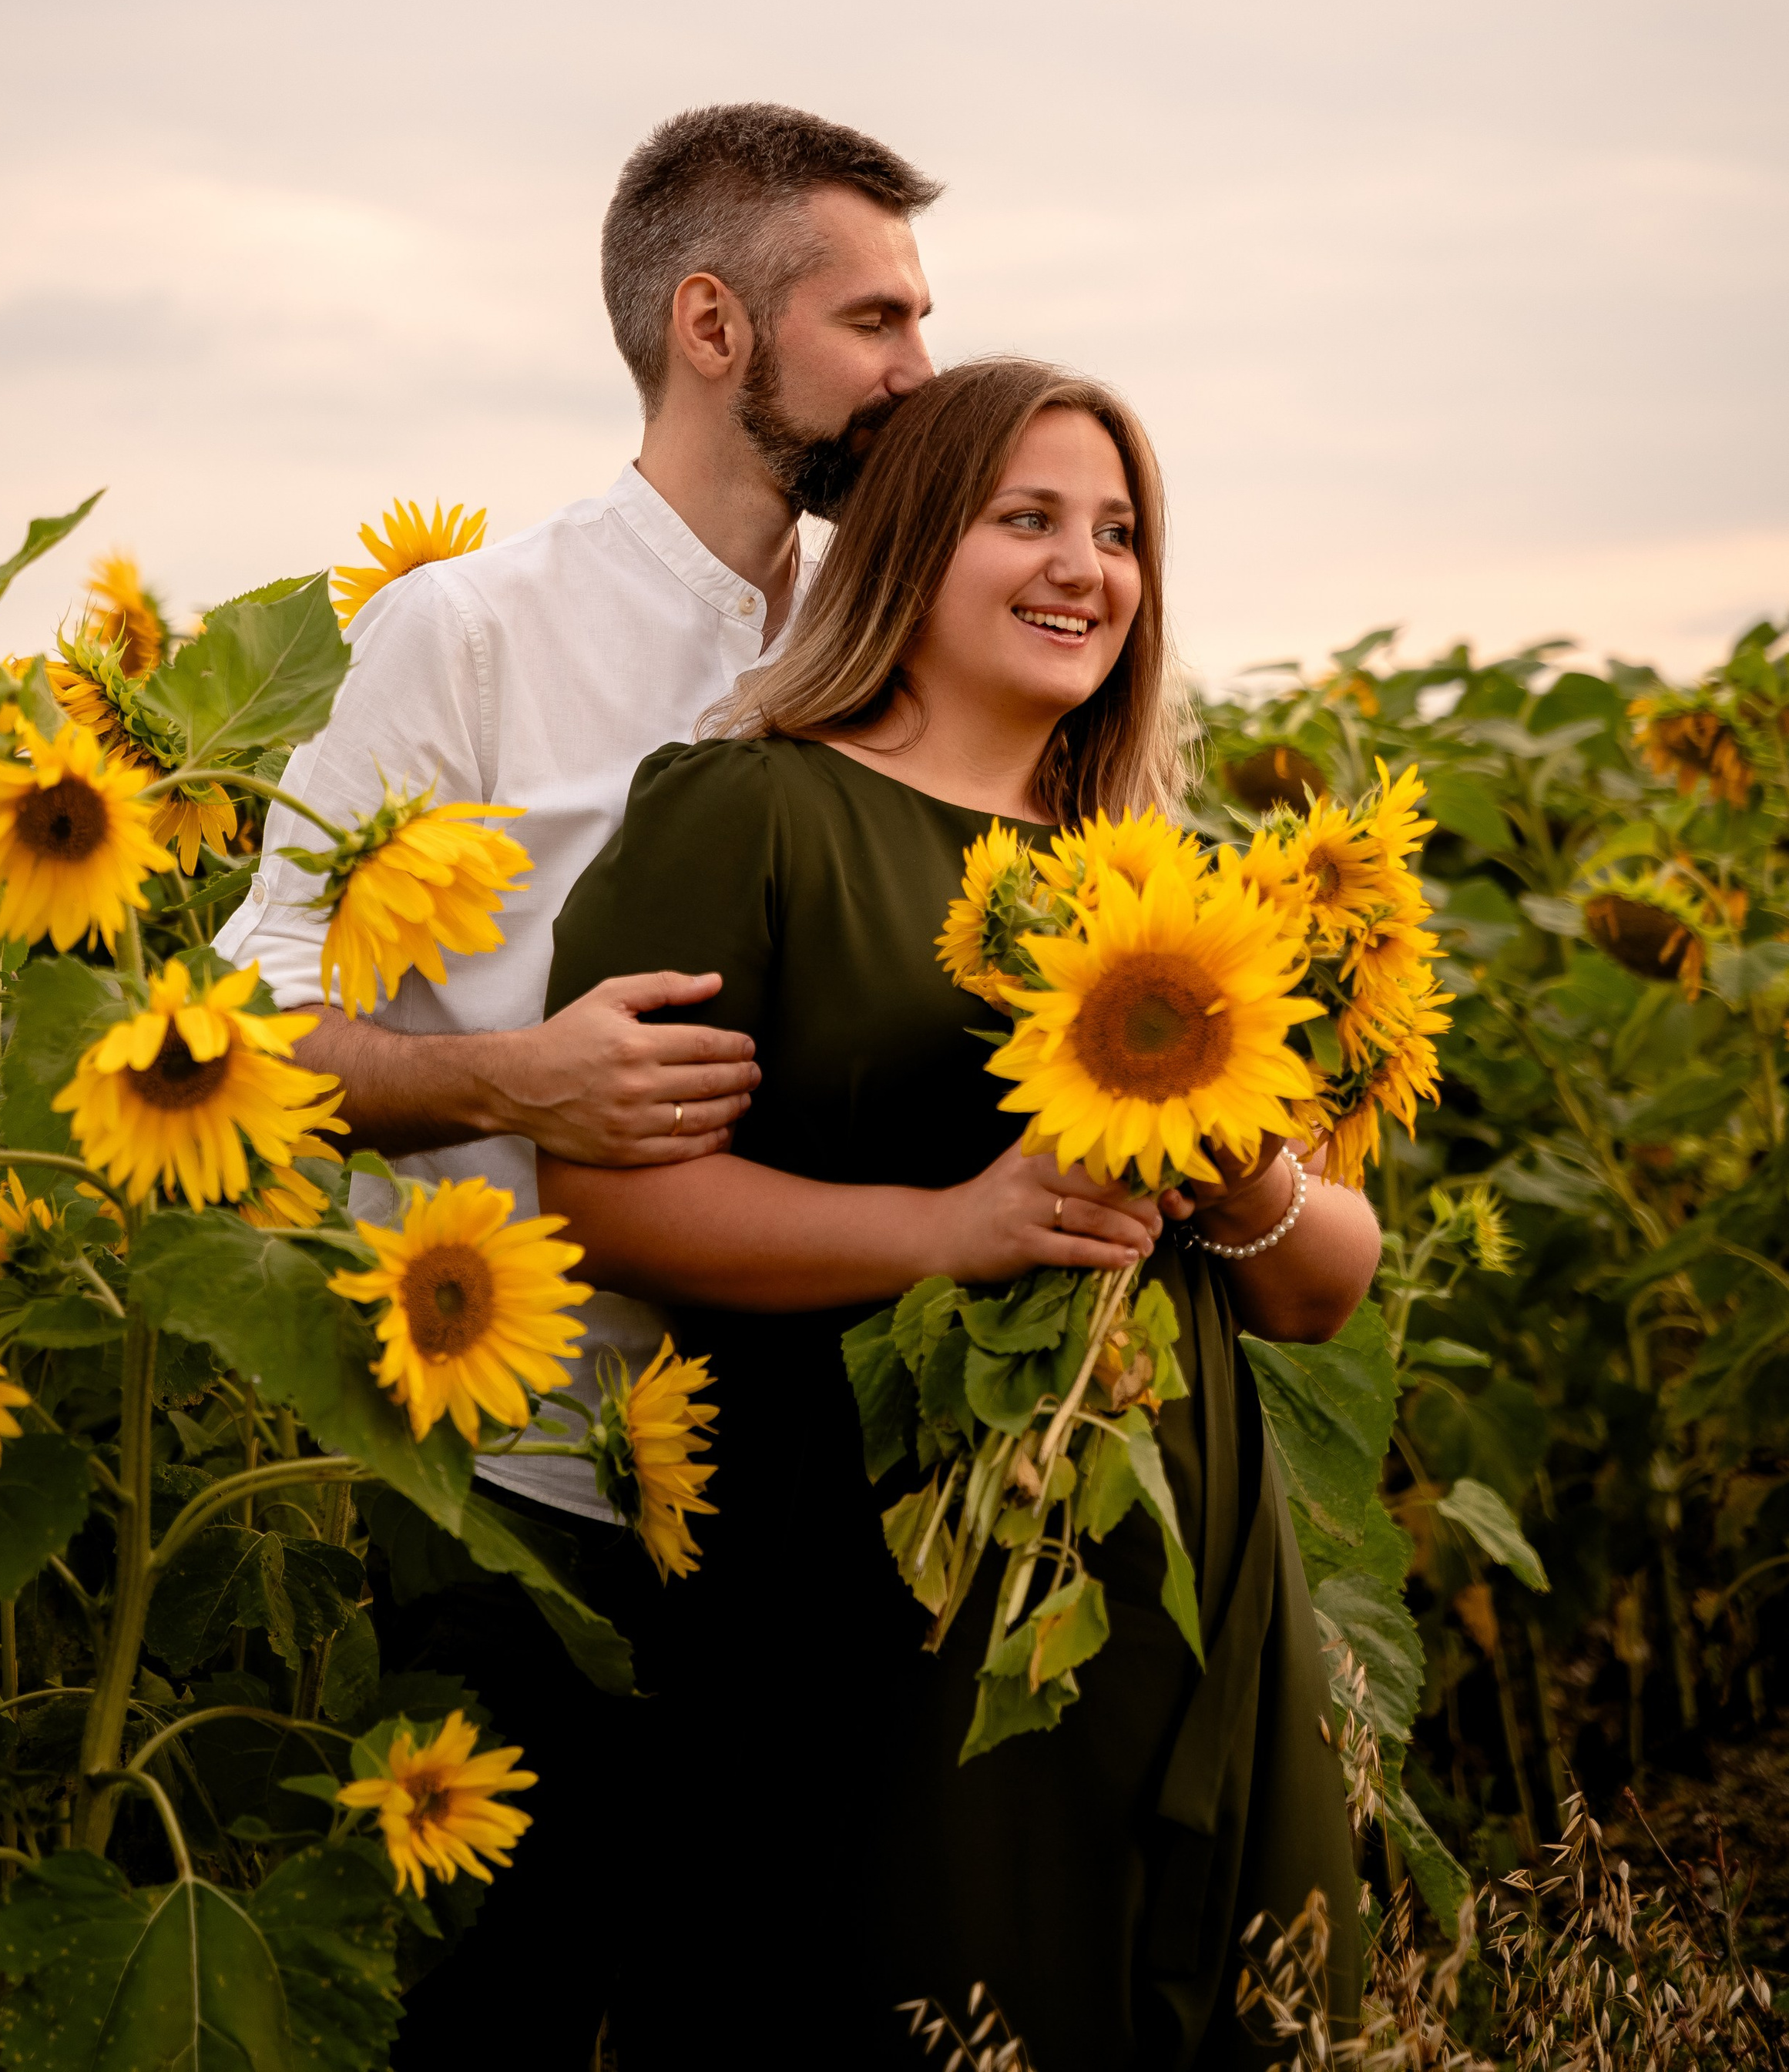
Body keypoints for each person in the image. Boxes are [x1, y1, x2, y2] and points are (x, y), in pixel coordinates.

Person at [542, 357, 1381, 2072]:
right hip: (872, 1566)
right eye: (1028, 519)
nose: (1084, 567)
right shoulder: (751, 812)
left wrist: (1230, 1165)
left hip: (1176, 1558)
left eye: (1118, 532)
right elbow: (608, 1206)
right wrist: (952, 1230)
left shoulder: (1170, 874)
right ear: (911, 544)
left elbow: (1320, 1285)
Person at [215, 100, 941, 2067]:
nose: (916, 369)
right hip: (524, 1482)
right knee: (499, 2013)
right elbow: (228, 1043)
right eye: (873, 319)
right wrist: (521, 1081)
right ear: (713, 326)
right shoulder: (470, 630)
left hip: (818, 1477)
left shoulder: (885, 640)